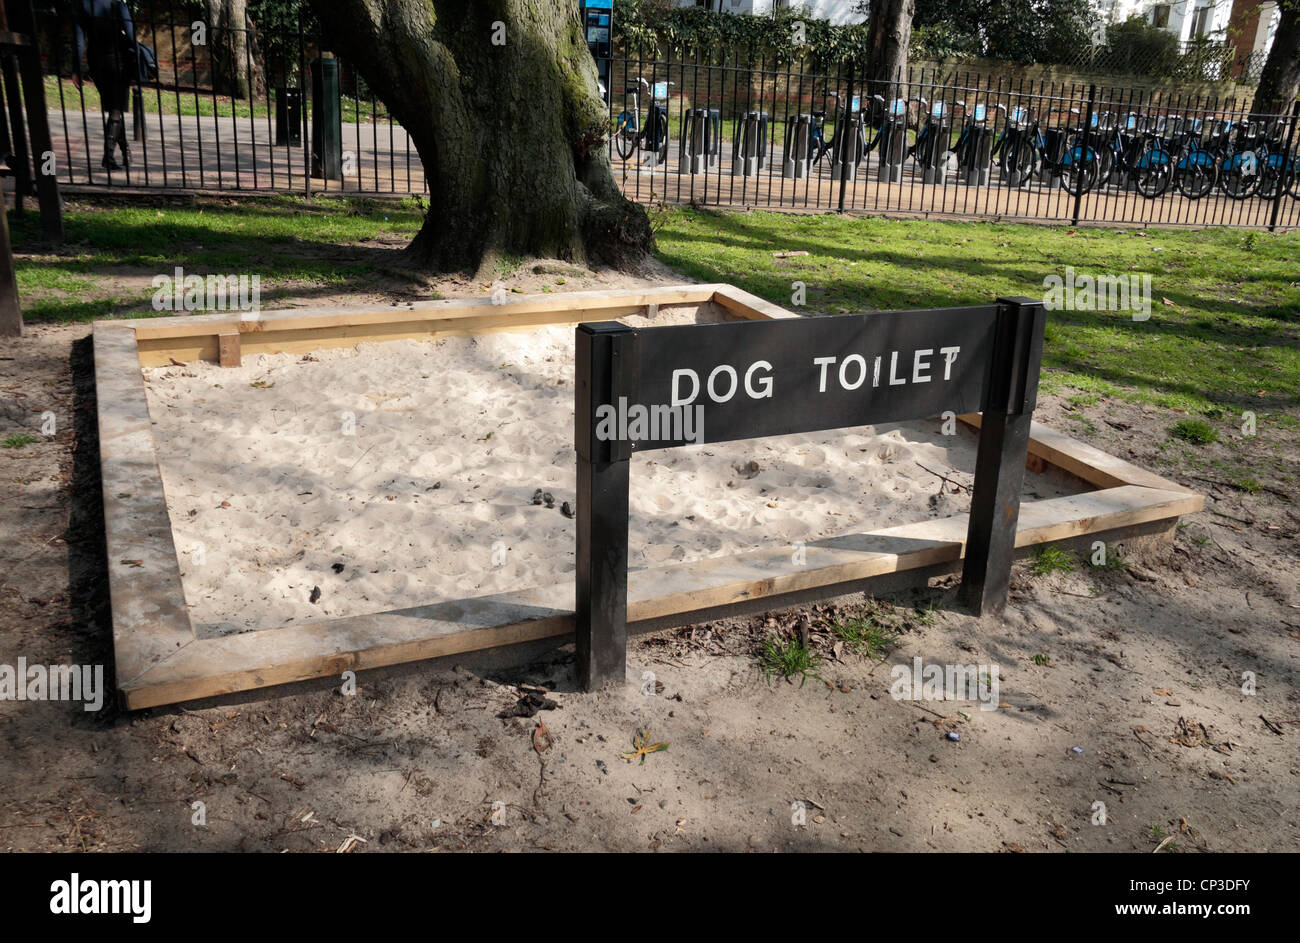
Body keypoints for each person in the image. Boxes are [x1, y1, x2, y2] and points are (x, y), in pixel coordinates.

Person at [74, 0, 138, 171]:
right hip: (118, 62)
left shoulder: (84, 6)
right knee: (116, 110)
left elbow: (79, 41)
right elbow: (131, 36)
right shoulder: (118, 5)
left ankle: (125, 152)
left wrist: (76, 70)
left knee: (113, 110)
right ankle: (108, 157)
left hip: (96, 64)